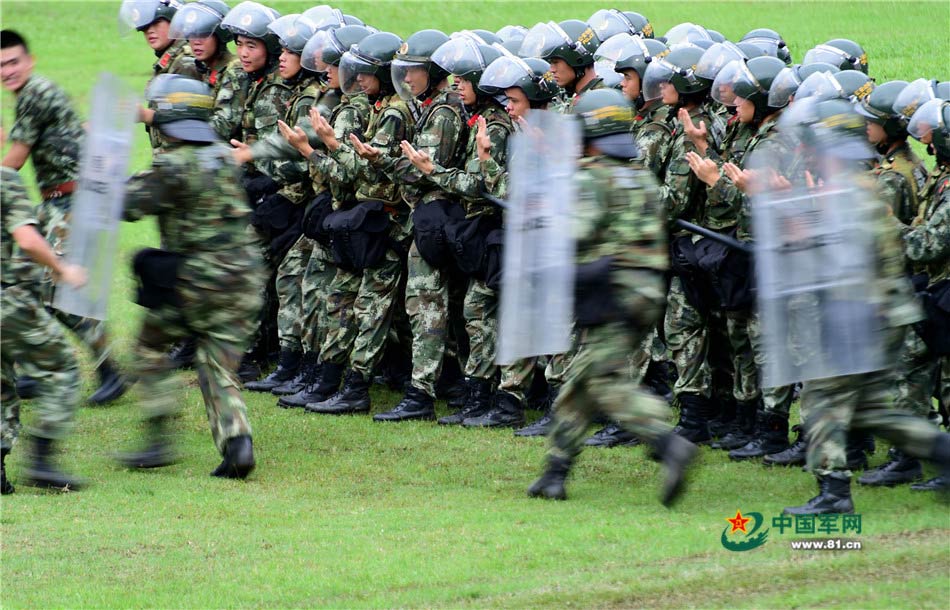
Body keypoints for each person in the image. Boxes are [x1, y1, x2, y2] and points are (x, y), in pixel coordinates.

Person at [778, 99, 950, 514]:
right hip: (882, 312)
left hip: (859, 312)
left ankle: (833, 492)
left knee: (822, 398)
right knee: (872, 409)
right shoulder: (859, 185)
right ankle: (942, 449)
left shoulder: (846, 192)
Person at [527, 89, 697, 505]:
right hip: (644, 292)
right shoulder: (638, 175)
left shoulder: (591, 176)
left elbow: (575, 231)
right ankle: (554, 473)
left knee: (604, 383)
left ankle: (667, 443)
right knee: (581, 383)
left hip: (610, 291)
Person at [117, 75, 264, 479]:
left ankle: (158, 439)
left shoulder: (173, 164)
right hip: (245, 278)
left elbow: (129, 204)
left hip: (200, 280)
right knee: (218, 364)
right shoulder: (221, 155)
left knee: (149, 347)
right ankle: (238, 444)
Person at [281, 31, 414, 415]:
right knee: (338, 303)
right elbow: (348, 176)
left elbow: (369, 179)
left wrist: (324, 148)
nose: (359, 80)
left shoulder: (393, 114)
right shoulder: (374, 108)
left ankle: (355, 388)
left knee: (370, 310)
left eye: (368, 74)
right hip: (358, 225)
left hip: (381, 228)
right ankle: (326, 380)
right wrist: (315, 150)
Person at [348, 29, 470, 422]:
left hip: (434, 217)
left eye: (416, 70)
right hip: (427, 217)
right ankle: (445, 383)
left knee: (427, 308)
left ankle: (421, 394)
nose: (408, 77)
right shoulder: (431, 107)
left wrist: (377, 159)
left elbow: (423, 172)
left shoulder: (443, 113)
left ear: (433, 71)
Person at [0, 29, 128, 405]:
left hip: (72, 201)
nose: (7, 71)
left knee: (53, 287)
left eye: (13, 62)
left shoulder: (35, 93)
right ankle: (39, 367)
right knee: (35, 282)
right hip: (62, 200)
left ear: (30, 61)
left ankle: (107, 369)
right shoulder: (33, 92)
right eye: (1, 65)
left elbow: (15, 160)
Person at [1, 166, 87, 494]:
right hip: (9, 301)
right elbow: (26, 238)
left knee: (2, 383)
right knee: (62, 366)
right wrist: (61, 267)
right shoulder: (5, 180)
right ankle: (41, 460)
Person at [118, 0, 200, 152]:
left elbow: (188, 122)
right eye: (145, 27)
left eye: (157, 22)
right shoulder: (169, 62)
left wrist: (144, 115)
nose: (150, 31)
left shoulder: (185, 62)